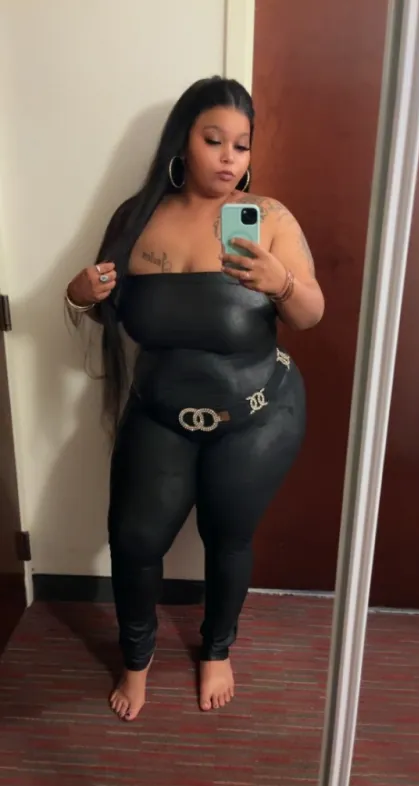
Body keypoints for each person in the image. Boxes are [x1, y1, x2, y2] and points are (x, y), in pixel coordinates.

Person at [65, 76, 324, 722]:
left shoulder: (269, 218)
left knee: (227, 536)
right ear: (183, 141)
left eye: (242, 144)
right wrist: (79, 295)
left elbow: (311, 313)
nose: (230, 157)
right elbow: (103, 304)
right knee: (133, 540)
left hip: (259, 416)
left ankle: (216, 649)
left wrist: (280, 282)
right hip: (160, 414)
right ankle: (136, 659)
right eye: (214, 140)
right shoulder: (136, 217)